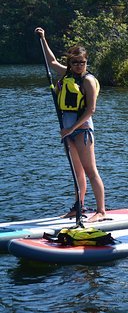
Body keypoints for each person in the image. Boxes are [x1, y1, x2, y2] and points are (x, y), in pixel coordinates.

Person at [35, 27, 107, 222]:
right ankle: (78, 207)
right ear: (70, 63)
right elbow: (51, 62)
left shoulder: (88, 81)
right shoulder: (66, 74)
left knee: (91, 171)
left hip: (81, 131)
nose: (78, 66)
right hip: (68, 131)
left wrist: (71, 129)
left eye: (82, 62)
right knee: (77, 173)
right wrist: (43, 38)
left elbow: (91, 109)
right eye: (75, 62)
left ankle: (101, 211)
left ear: (86, 62)